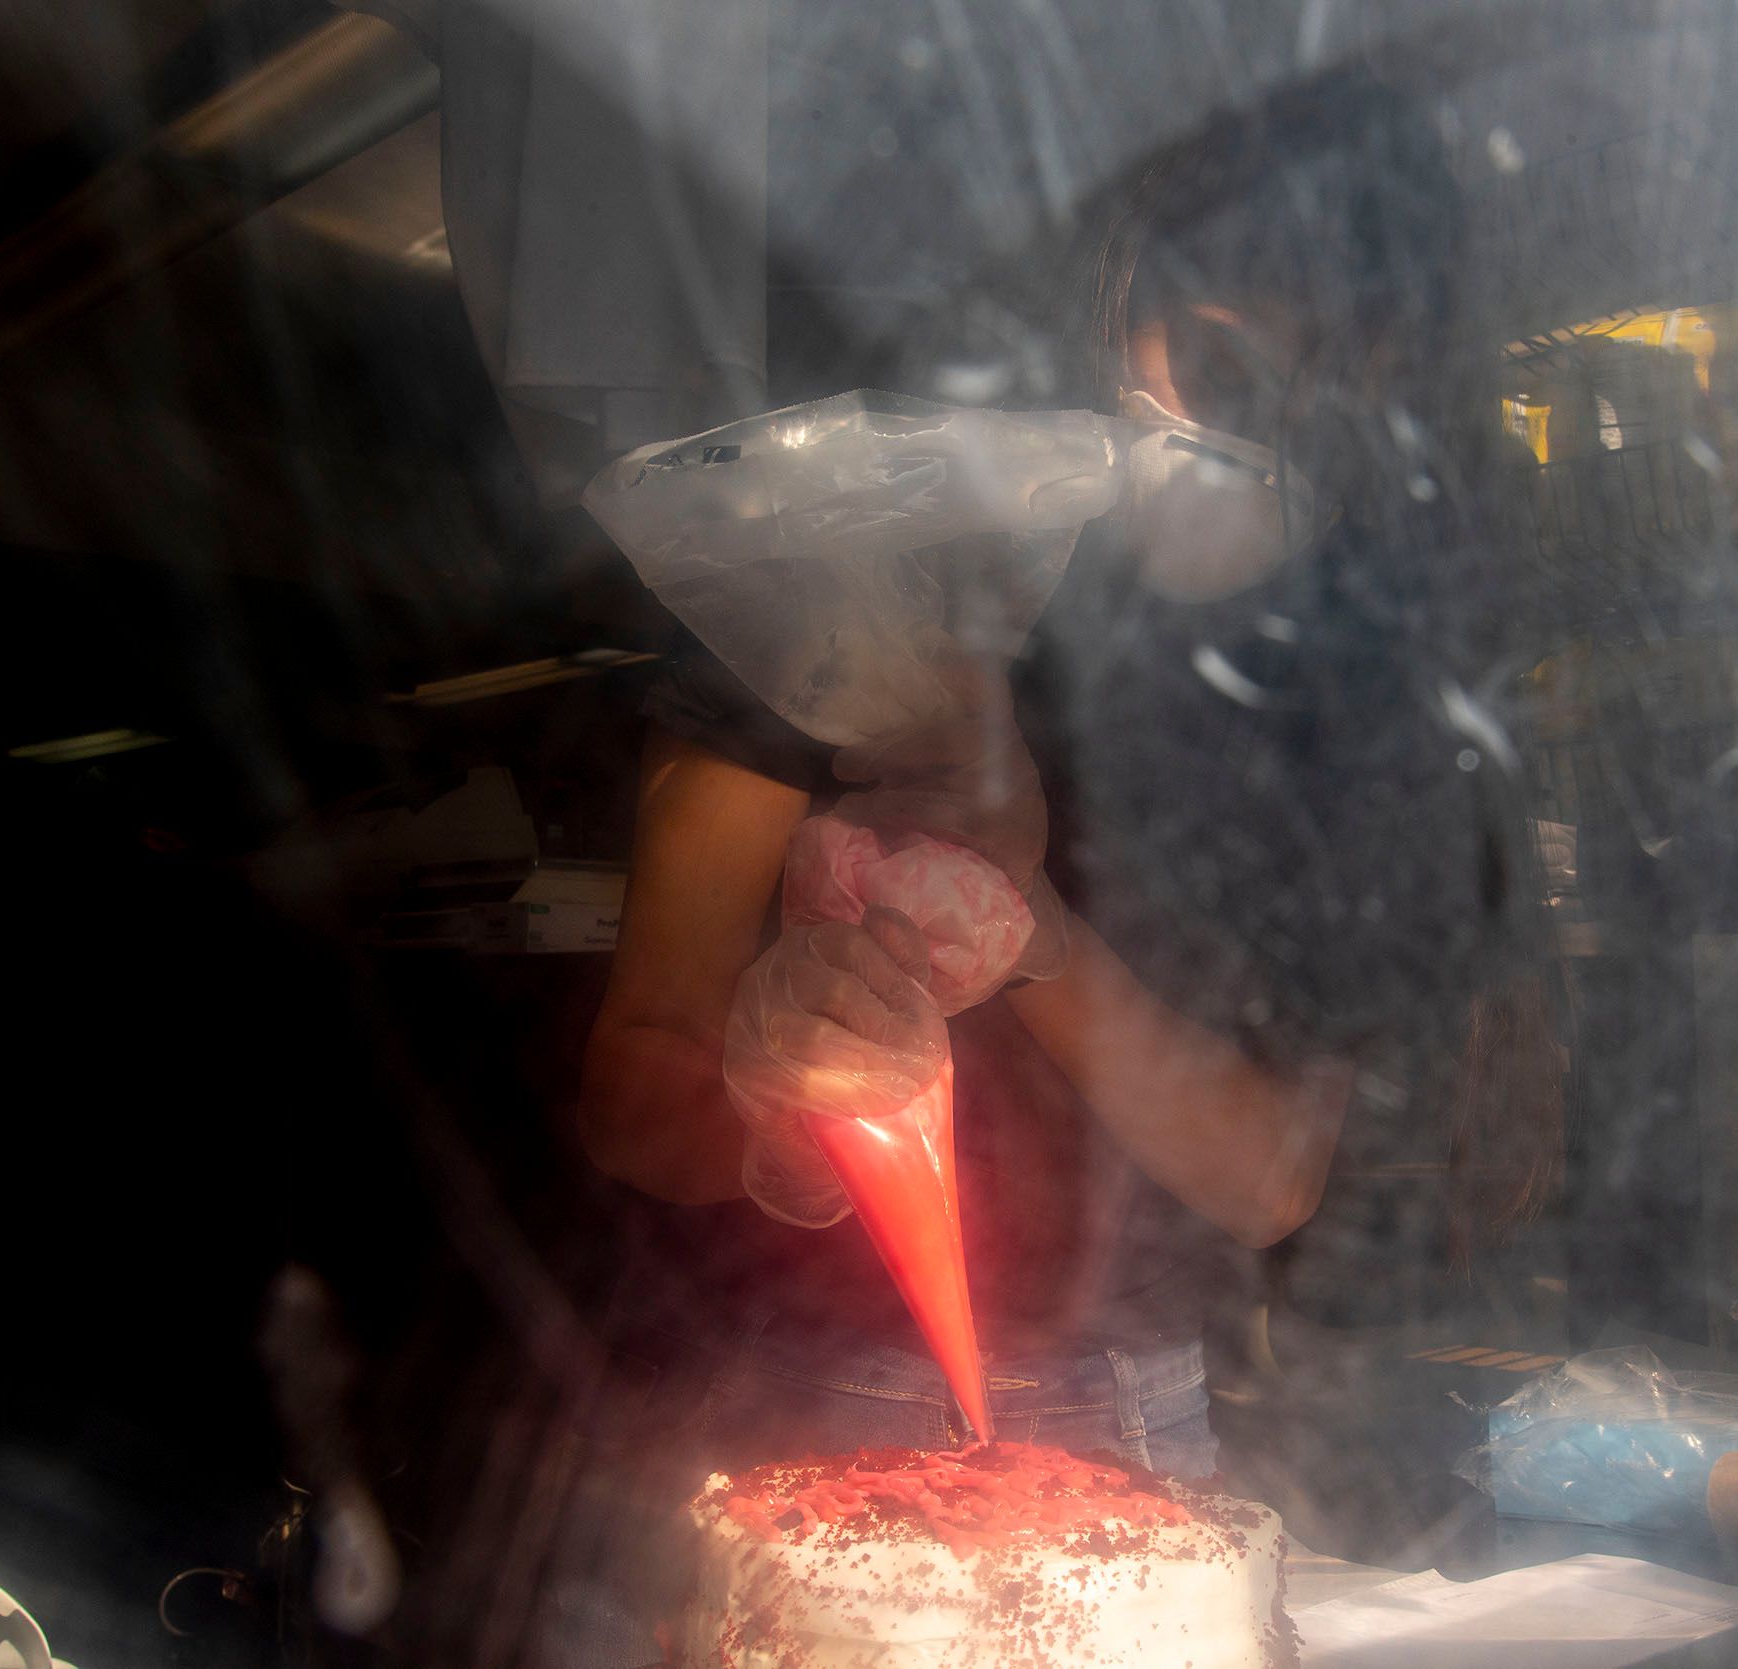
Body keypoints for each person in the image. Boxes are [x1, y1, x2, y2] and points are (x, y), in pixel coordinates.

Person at [558, 64, 1565, 1662]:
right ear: (1117, 316)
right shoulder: (870, 580)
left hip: (1135, 1435)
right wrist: (772, 1117)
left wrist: (1020, 932)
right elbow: (634, 1082)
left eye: (1343, 364)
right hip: (795, 1402)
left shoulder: (1355, 702)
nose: (1262, 410)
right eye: (1220, 349)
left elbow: (1267, 1170)